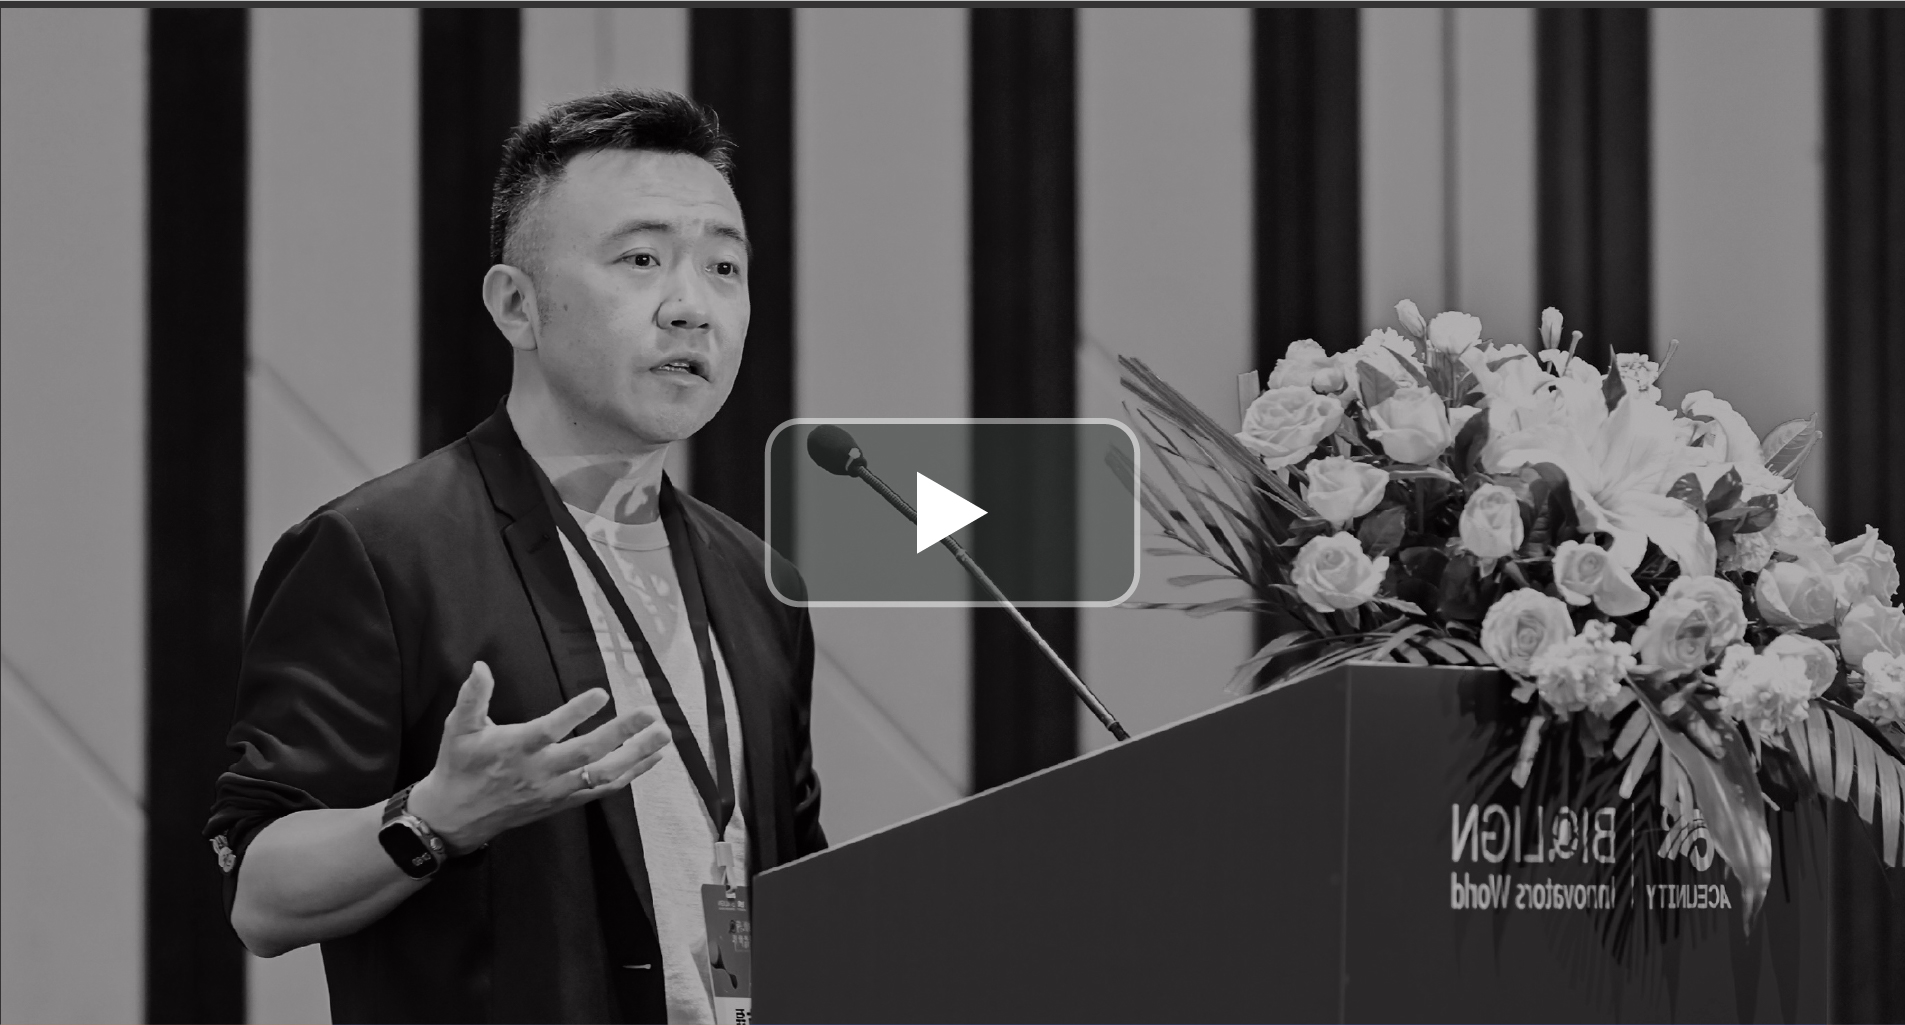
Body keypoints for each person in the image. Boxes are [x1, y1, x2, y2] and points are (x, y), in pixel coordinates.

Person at [205, 89, 826, 1024]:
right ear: (516, 305)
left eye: (725, 267)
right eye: (642, 259)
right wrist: (434, 817)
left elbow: (784, 873)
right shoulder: (380, 550)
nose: (693, 307)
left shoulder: (755, 580)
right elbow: (260, 894)